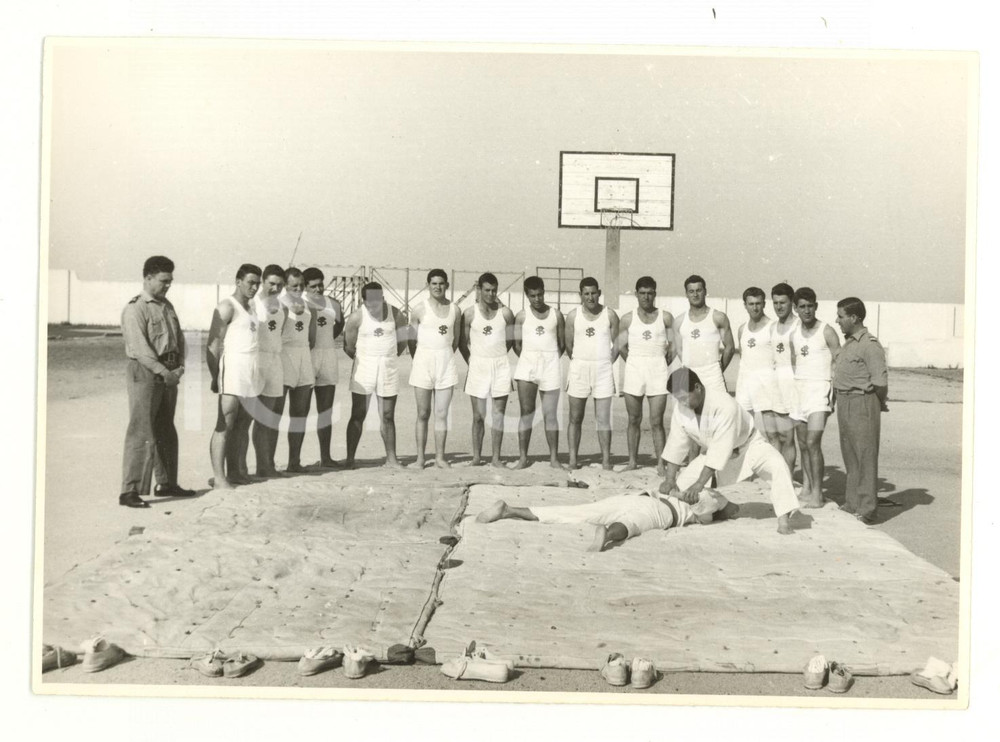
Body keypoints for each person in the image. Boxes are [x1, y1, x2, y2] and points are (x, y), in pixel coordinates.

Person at [659, 368, 800, 535]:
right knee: (680, 491)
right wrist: (669, 479)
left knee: (777, 465)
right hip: (713, 455)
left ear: (697, 387)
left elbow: (721, 449)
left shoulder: (724, 404)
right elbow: (677, 443)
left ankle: (783, 520)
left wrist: (699, 484)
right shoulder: (681, 408)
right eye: (678, 399)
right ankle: (724, 505)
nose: (682, 403)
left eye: (684, 397)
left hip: (749, 446)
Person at [118, 255, 194, 508]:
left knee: (165, 430)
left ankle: (166, 483)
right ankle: (129, 491)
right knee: (141, 430)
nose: (167, 286)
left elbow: (179, 338)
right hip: (147, 372)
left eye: (170, 281)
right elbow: (140, 349)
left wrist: (180, 366)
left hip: (169, 372)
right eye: (163, 281)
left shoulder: (166, 305)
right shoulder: (135, 308)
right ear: (148, 277)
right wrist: (164, 371)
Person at [475, 487, 735, 552]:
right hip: (663, 511)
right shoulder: (708, 505)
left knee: (576, 512)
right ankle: (608, 535)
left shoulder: (696, 493)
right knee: (633, 525)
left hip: (637, 495)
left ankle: (509, 509)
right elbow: (710, 511)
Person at [207, 264, 264, 490]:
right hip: (232, 370)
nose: (254, 287)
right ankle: (219, 478)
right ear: (238, 281)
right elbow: (212, 345)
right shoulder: (226, 306)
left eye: (257, 283)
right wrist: (215, 376)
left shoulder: (251, 308)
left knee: (243, 423)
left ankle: (237, 472)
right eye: (251, 282)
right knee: (225, 422)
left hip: (250, 370)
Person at [833, 297, 889, 525]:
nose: (837, 321)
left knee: (865, 455)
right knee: (850, 455)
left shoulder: (870, 344)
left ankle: (867, 509)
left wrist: (876, 403)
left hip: (862, 402)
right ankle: (852, 502)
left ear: (854, 318)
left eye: (841, 316)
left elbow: (880, 383)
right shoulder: (850, 343)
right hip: (845, 402)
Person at [343, 281, 408, 467]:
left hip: (387, 367)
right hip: (364, 367)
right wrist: (365, 361)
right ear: (363, 301)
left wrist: (387, 358)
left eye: (378, 301)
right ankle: (349, 459)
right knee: (358, 414)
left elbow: (402, 343)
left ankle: (392, 459)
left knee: (387, 415)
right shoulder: (356, 318)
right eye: (370, 303)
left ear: (383, 298)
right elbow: (349, 347)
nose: (374, 306)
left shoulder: (397, 315)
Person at [617, 276, 675, 474]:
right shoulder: (627, 318)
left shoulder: (665, 317)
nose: (646, 297)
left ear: (655, 294)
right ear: (636, 294)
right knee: (634, 419)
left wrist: (661, 363)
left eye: (650, 293)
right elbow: (620, 346)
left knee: (657, 421)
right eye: (642, 293)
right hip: (635, 368)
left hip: (658, 369)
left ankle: (661, 463)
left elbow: (674, 346)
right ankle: (632, 461)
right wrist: (633, 361)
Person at [789, 287, 841, 508]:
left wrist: (834, 392)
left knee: (813, 442)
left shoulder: (826, 331)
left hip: (820, 390)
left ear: (816, 306)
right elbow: (794, 362)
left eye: (810, 306)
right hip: (799, 389)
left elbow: (839, 361)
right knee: (802, 443)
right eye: (802, 307)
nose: (807, 310)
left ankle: (818, 495)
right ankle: (808, 487)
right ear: (796, 309)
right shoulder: (794, 334)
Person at [459, 272, 515, 466]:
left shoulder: (506, 313)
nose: (491, 294)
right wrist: (473, 362)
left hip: (500, 365)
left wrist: (498, 357)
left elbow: (509, 342)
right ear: (479, 290)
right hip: (478, 366)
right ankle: (476, 457)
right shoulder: (469, 313)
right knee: (478, 416)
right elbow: (462, 342)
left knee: (498, 415)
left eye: (494, 290)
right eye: (487, 290)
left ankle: (496, 458)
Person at [564, 277, 620, 470]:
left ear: (599, 292)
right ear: (580, 295)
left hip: (602, 369)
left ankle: (606, 461)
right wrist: (581, 360)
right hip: (579, 368)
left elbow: (618, 344)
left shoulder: (609, 315)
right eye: (586, 294)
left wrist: (605, 362)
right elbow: (568, 345)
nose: (590, 297)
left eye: (593, 293)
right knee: (575, 417)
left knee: (603, 418)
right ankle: (573, 459)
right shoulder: (573, 316)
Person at [408, 269, 461, 468]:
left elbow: (454, 341)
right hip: (423, 361)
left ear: (447, 285)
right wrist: (422, 358)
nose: (438, 287)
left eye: (441, 283)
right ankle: (420, 459)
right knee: (423, 413)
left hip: (446, 362)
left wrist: (444, 354)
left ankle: (439, 457)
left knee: (441, 413)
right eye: (434, 283)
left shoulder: (455, 309)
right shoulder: (419, 309)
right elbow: (412, 341)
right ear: (428, 285)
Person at [512, 276, 565, 469]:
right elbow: (516, 345)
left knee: (551, 414)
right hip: (527, 364)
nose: (537, 299)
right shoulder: (522, 316)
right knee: (526, 412)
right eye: (533, 295)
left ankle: (554, 458)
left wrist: (548, 360)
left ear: (544, 291)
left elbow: (562, 344)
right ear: (527, 295)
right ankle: (523, 458)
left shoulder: (556, 314)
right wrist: (530, 358)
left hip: (550, 364)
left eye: (540, 294)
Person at [304, 267, 345, 468]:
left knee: (325, 411)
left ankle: (326, 457)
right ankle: (294, 460)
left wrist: (324, 342)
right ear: (305, 287)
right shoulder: (299, 304)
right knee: (300, 411)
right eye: (313, 286)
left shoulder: (334, 304)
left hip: (327, 356)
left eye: (321, 284)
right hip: (307, 357)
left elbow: (337, 327)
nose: (319, 289)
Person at [734, 287, 784, 447]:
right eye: (751, 304)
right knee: (743, 431)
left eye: (758, 303)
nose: (754, 308)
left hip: (767, 385)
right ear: (745, 305)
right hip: (745, 384)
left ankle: (778, 470)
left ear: (764, 304)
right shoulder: (742, 329)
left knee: (771, 433)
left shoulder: (773, 327)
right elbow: (743, 356)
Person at [250, 264, 287, 477]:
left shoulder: (282, 306)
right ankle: (253, 466)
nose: (275, 288)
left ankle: (268, 464)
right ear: (263, 281)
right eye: (271, 283)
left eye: (280, 285)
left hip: (275, 360)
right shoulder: (252, 303)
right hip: (257, 360)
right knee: (258, 417)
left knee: (273, 417)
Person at [280, 267, 317, 472]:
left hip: (303, 357)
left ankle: (294, 461)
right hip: (285, 356)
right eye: (293, 285)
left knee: (300, 413)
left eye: (301, 285)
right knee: (275, 412)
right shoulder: (279, 304)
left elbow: (311, 339)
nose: (298, 289)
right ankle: (266, 463)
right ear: (285, 285)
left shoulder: (309, 306)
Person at [674, 274, 735, 397]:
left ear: (705, 292)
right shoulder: (679, 321)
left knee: (718, 412)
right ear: (686, 294)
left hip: (713, 375)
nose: (695, 295)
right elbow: (680, 350)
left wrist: (717, 369)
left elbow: (730, 348)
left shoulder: (718, 317)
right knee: (691, 414)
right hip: (689, 373)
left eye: (699, 290)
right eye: (691, 291)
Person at [770, 282, 801, 476]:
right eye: (775, 303)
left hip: (793, 385)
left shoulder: (799, 326)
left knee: (790, 437)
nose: (779, 307)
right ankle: (777, 477)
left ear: (792, 303)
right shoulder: (773, 327)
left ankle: (788, 479)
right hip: (776, 384)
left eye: (783, 302)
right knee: (777, 436)